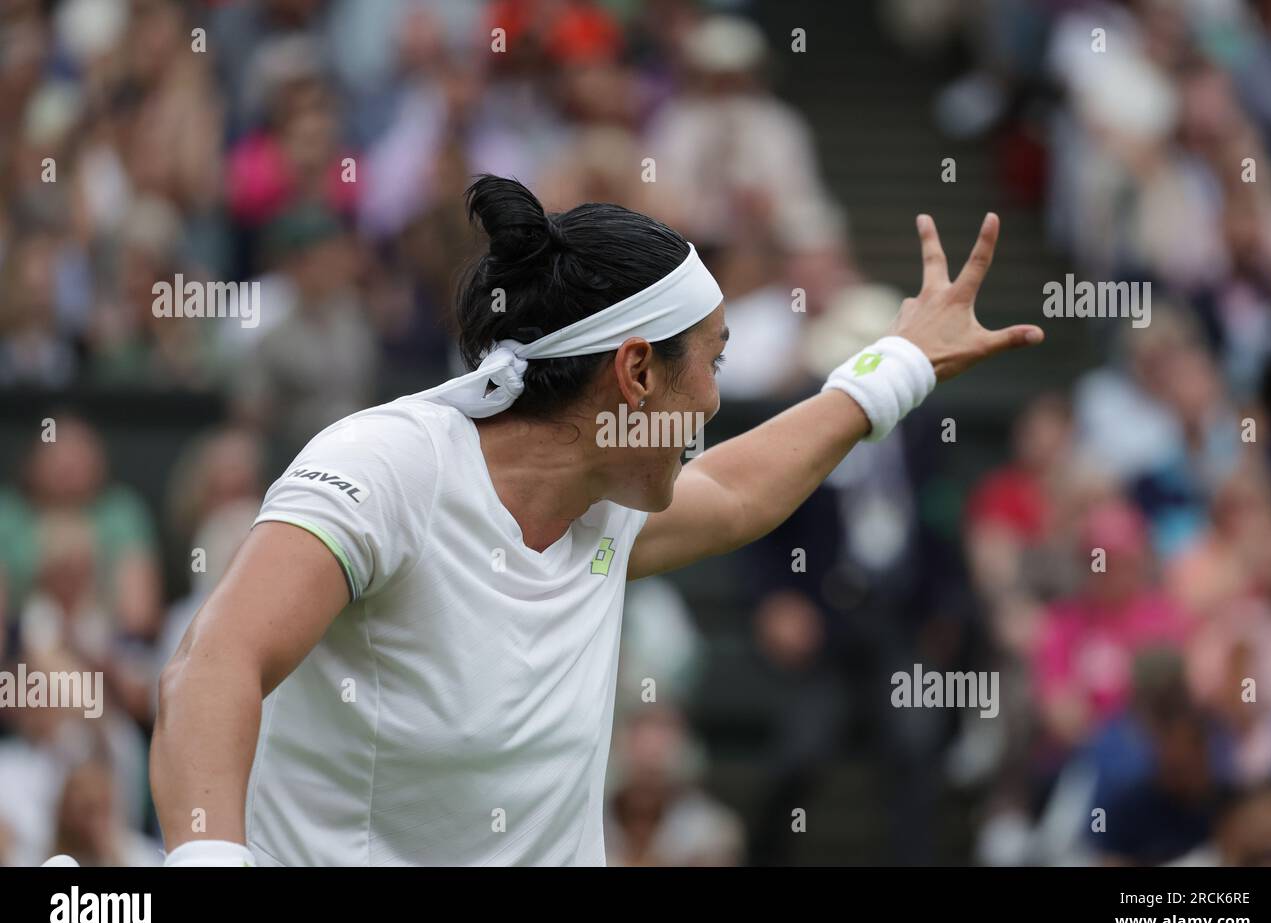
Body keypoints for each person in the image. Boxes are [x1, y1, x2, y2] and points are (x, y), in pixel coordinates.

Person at [146, 174, 1042, 866]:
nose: (717, 402)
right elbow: (214, 664)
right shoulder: (387, 466)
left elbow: (738, 492)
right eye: (713, 364)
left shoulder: (605, 506)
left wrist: (900, 367)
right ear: (637, 372)